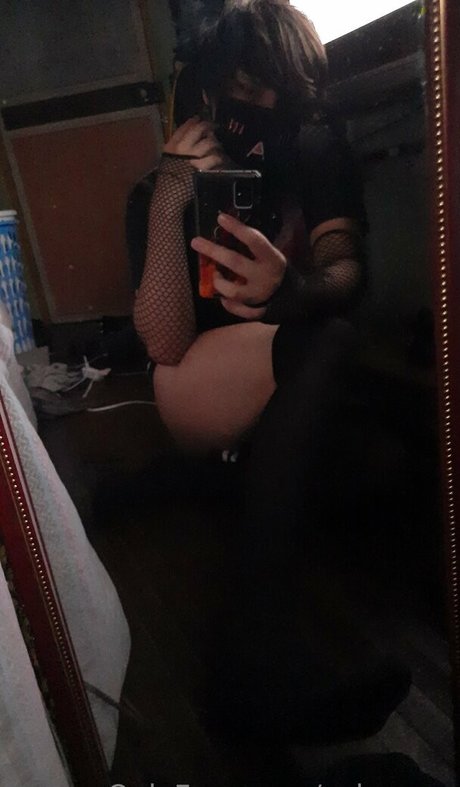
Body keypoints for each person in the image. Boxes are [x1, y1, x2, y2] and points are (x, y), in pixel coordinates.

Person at [130, 0, 410, 743]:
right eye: (241, 88)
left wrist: (292, 291)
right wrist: (170, 196)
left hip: (285, 359)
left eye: (276, 91)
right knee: (328, 347)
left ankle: (191, 484)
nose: (259, 107)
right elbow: (163, 343)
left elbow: (345, 267)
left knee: (375, 470)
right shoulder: (171, 179)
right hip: (198, 374)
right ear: (210, 88)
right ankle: (248, 666)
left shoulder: (312, 149)